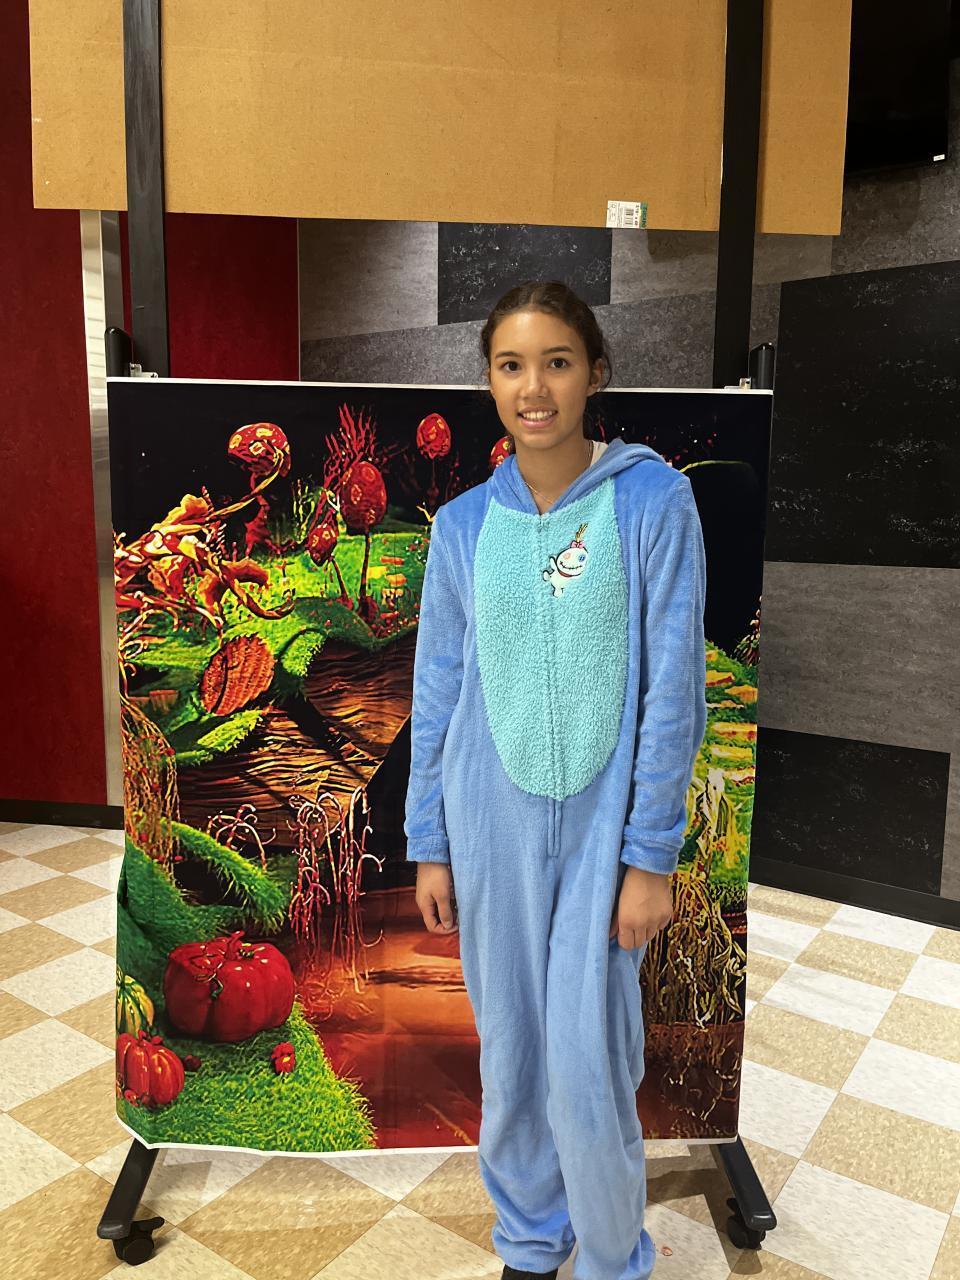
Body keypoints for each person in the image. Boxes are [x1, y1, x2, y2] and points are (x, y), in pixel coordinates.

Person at [404, 280, 707, 1280]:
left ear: (594, 373)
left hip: (602, 835)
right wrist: (431, 842)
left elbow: (673, 689)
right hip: (487, 825)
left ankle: (614, 1256)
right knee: (513, 1055)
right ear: (491, 383)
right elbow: (437, 690)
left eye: (557, 362)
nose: (534, 388)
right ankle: (532, 1243)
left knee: (588, 1062)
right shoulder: (460, 526)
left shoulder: (653, 501)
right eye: (511, 365)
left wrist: (649, 857)